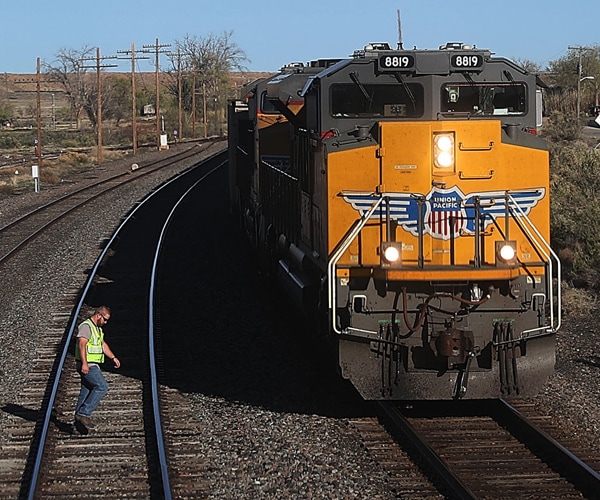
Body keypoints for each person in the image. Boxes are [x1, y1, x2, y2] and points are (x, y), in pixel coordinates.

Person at [74, 306, 120, 429]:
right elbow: (82, 345)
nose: (105, 322)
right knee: (102, 386)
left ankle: (77, 425)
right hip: (88, 364)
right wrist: (84, 363)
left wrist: (113, 357)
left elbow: (102, 344)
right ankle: (84, 413)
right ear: (99, 315)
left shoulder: (97, 329)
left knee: (86, 391)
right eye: (105, 319)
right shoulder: (86, 326)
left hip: (91, 364)